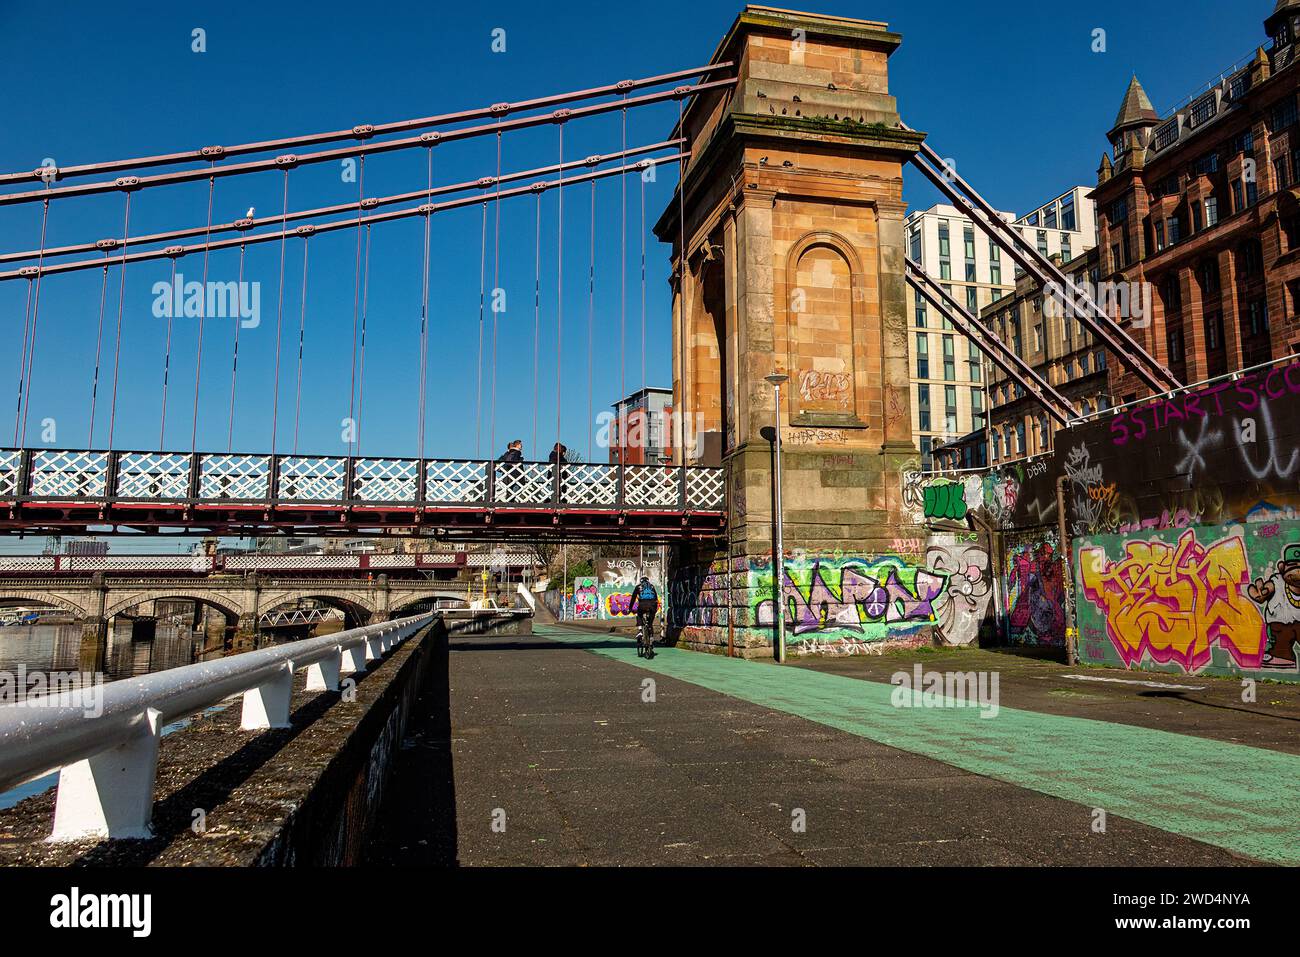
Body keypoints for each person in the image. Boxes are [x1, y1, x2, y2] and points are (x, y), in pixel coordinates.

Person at [629, 576, 659, 640]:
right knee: (650, 623)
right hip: (652, 605)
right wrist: (655, 609)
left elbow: (633, 598)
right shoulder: (652, 586)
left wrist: (630, 608)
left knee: (639, 614)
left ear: (641, 581)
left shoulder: (638, 587)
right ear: (648, 581)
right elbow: (656, 598)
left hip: (643, 605)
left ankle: (640, 631)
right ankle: (651, 637)